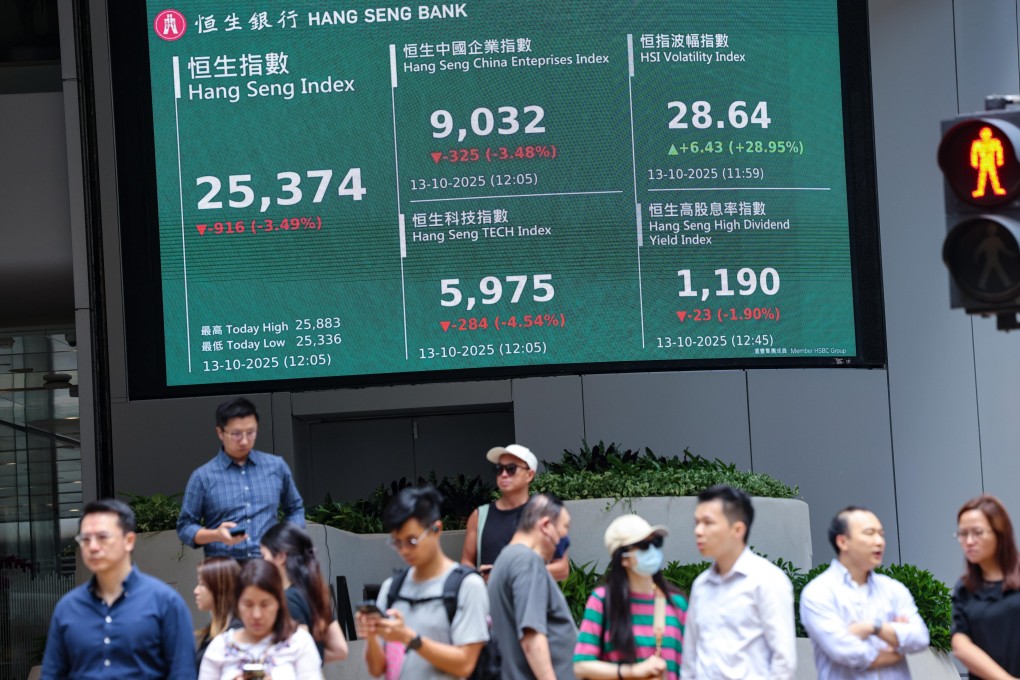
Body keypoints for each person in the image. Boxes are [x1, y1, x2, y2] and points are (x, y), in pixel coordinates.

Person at [41, 498, 196, 679]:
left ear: (129, 540)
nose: (93, 547)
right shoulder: (67, 608)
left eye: (102, 537)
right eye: (85, 539)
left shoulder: (165, 602)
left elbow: (183, 673)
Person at [357, 485, 489, 679]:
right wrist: (371, 636)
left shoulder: (468, 586)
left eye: (412, 541)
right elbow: (377, 669)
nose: (404, 550)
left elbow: (465, 665)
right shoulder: (391, 588)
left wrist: (408, 638)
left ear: (436, 529)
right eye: (397, 542)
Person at [680, 484, 796, 680]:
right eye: (696, 522)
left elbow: (784, 662)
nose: (698, 531)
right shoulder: (701, 585)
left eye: (708, 522)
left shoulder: (767, 580)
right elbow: (690, 658)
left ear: (738, 529)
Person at [800, 506, 929, 679]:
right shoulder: (819, 592)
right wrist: (896, 648)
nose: (879, 541)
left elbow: (920, 638)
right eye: (869, 533)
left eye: (881, 534)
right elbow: (843, 650)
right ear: (842, 542)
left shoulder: (893, 589)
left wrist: (872, 627)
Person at [177, 396, 305, 560]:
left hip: (268, 566)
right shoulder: (203, 477)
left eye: (251, 432)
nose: (244, 441)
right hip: (225, 571)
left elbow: (295, 509)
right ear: (220, 432)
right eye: (236, 434)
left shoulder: (276, 467)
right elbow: (185, 527)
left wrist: (286, 542)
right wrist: (215, 535)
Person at [574, 514, 688, 680]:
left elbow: (694, 664)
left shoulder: (677, 603)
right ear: (623, 558)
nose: (652, 551)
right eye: (643, 546)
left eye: (655, 543)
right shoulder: (602, 601)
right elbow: (581, 666)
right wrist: (632, 672)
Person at [488, 492, 578, 680]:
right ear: (546, 526)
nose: (566, 536)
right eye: (565, 527)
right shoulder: (527, 561)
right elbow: (532, 634)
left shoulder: (507, 558)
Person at [199, 558, 321, 679]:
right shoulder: (220, 647)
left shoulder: (299, 642)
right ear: (237, 603)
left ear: (278, 603)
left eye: (265, 604)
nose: (256, 615)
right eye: (248, 605)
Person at [461, 444, 569, 581]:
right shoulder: (479, 516)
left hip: (531, 600)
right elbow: (466, 562)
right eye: (499, 469)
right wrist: (478, 575)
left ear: (530, 475)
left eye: (511, 469)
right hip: (491, 600)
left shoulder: (544, 515)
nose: (504, 474)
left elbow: (562, 569)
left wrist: (509, 574)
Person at [951, 494, 1020, 679]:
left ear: (1000, 532)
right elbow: (960, 644)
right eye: (963, 534)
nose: (969, 541)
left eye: (978, 532)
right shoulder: (964, 589)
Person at [260, 521, 349, 663]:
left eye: (264, 555)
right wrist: (315, 656)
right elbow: (340, 649)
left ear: (281, 557)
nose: (262, 562)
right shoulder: (312, 593)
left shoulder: (289, 600)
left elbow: (298, 655)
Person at [194, 557, 241, 667]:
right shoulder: (213, 629)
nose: (196, 591)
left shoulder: (235, 633)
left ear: (220, 587)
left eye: (202, 584)